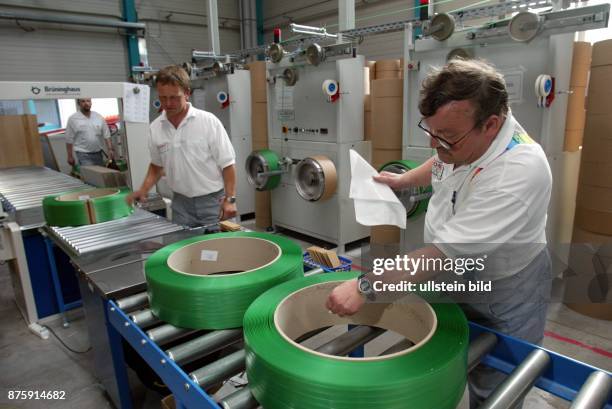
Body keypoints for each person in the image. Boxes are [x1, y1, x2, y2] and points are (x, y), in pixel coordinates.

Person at [327, 59, 552, 408]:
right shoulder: (468, 136)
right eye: (430, 133)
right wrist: (403, 180)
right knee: (441, 355)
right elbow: (442, 159)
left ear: (491, 124)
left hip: (504, 287)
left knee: (496, 382)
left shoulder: (519, 173)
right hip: (452, 272)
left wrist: (364, 286)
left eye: (446, 138)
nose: (435, 146)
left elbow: (437, 255)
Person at [128, 65, 237, 228]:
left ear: (187, 93)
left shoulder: (208, 121)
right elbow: (156, 166)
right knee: (185, 251)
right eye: (163, 98)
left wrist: (230, 200)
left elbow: (227, 164)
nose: (168, 103)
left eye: (174, 97)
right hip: (180, 205)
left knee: (219, 250)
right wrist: (143, 189)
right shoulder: (156, 127)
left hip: (213, 202)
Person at [65, 98, 114, 167]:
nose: (86, 103)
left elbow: (106, 134)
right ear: (78, 104)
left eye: (88, 101)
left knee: (100, 175)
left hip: (98, 153)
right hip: (83, 154)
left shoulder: (98, 117)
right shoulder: (73, 119)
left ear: (91, 103)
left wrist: (110, 149)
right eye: (83, 101)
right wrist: (70, 156)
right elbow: (69, 138)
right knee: (90, 175)